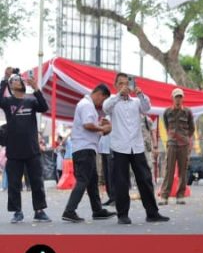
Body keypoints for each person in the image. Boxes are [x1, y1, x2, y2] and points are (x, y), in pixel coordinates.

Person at [102, 72, 169, 225]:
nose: (125, 86)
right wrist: (119, 95)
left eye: (127, 83)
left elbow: (147, 107)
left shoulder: (135, 102)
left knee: (145, 179)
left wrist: (140, 94)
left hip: (137, 146)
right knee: (121, 182)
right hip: (119, 147)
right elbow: (105, 108)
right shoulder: (113, 102)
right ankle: (123, 214)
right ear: (116, 85)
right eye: (121, 83)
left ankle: (152, 213)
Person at [0, 69, 51, 223]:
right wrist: (5, 78)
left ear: (23, 84)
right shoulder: (8, 103)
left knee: (36, 182)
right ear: (10, 86)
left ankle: (40, 211)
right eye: (13, 81)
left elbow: (44, 107)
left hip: (32, 150)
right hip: (14, 151)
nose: (17, 81)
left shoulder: (31, 101)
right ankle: (17, 212)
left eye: (18, 79)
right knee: (14, 184)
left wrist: (36, 88)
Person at [62, 84, 117, 222]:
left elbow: (89, 124)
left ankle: (97, 210)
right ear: (99, 94)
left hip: (87, 148)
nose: (101, 104)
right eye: (102, 100)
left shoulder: (86, 105)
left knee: (92, 180)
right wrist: (102, 128)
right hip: (84, 148)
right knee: (83, 179)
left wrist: (100, 126)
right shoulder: (86, 105)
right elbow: (87, 125)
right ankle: (69, 210)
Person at [159, 88, 195, 205]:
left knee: (183, 170)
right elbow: (166, 125)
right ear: (172, 98)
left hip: (183, 144)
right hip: (172, 143)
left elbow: (192, 128)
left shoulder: (188, 112)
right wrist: (172, 136)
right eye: (176, 97)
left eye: (180, 97)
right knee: (169, 170)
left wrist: (185, 137)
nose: (178, 99)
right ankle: (164, 196)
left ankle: (180, 196)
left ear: (182, 98)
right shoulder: (167, 112)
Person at [98, 130, 115, 206]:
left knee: (112, 174)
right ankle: (111, 197)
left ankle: (115, 198)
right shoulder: (105, 118)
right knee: (106, 174)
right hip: (104, 148)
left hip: (112, 147)